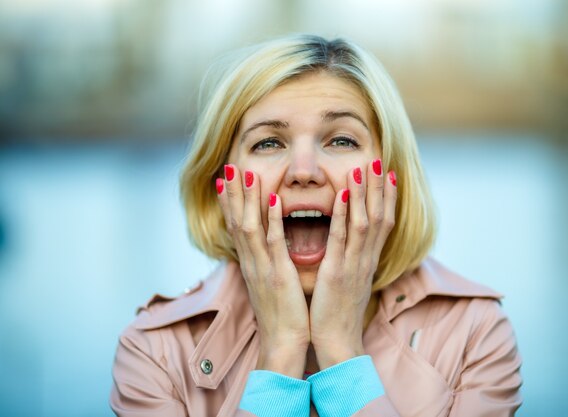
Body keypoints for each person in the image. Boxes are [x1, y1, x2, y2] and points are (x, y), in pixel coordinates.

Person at [110, 34, 522, 417]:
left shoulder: (475, 334)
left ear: (390, 176)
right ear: (223, 184)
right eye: (268, 142)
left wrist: (340, 352)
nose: (303, 171)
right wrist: (281, 352)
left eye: (341, 140)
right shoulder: (153, 352)